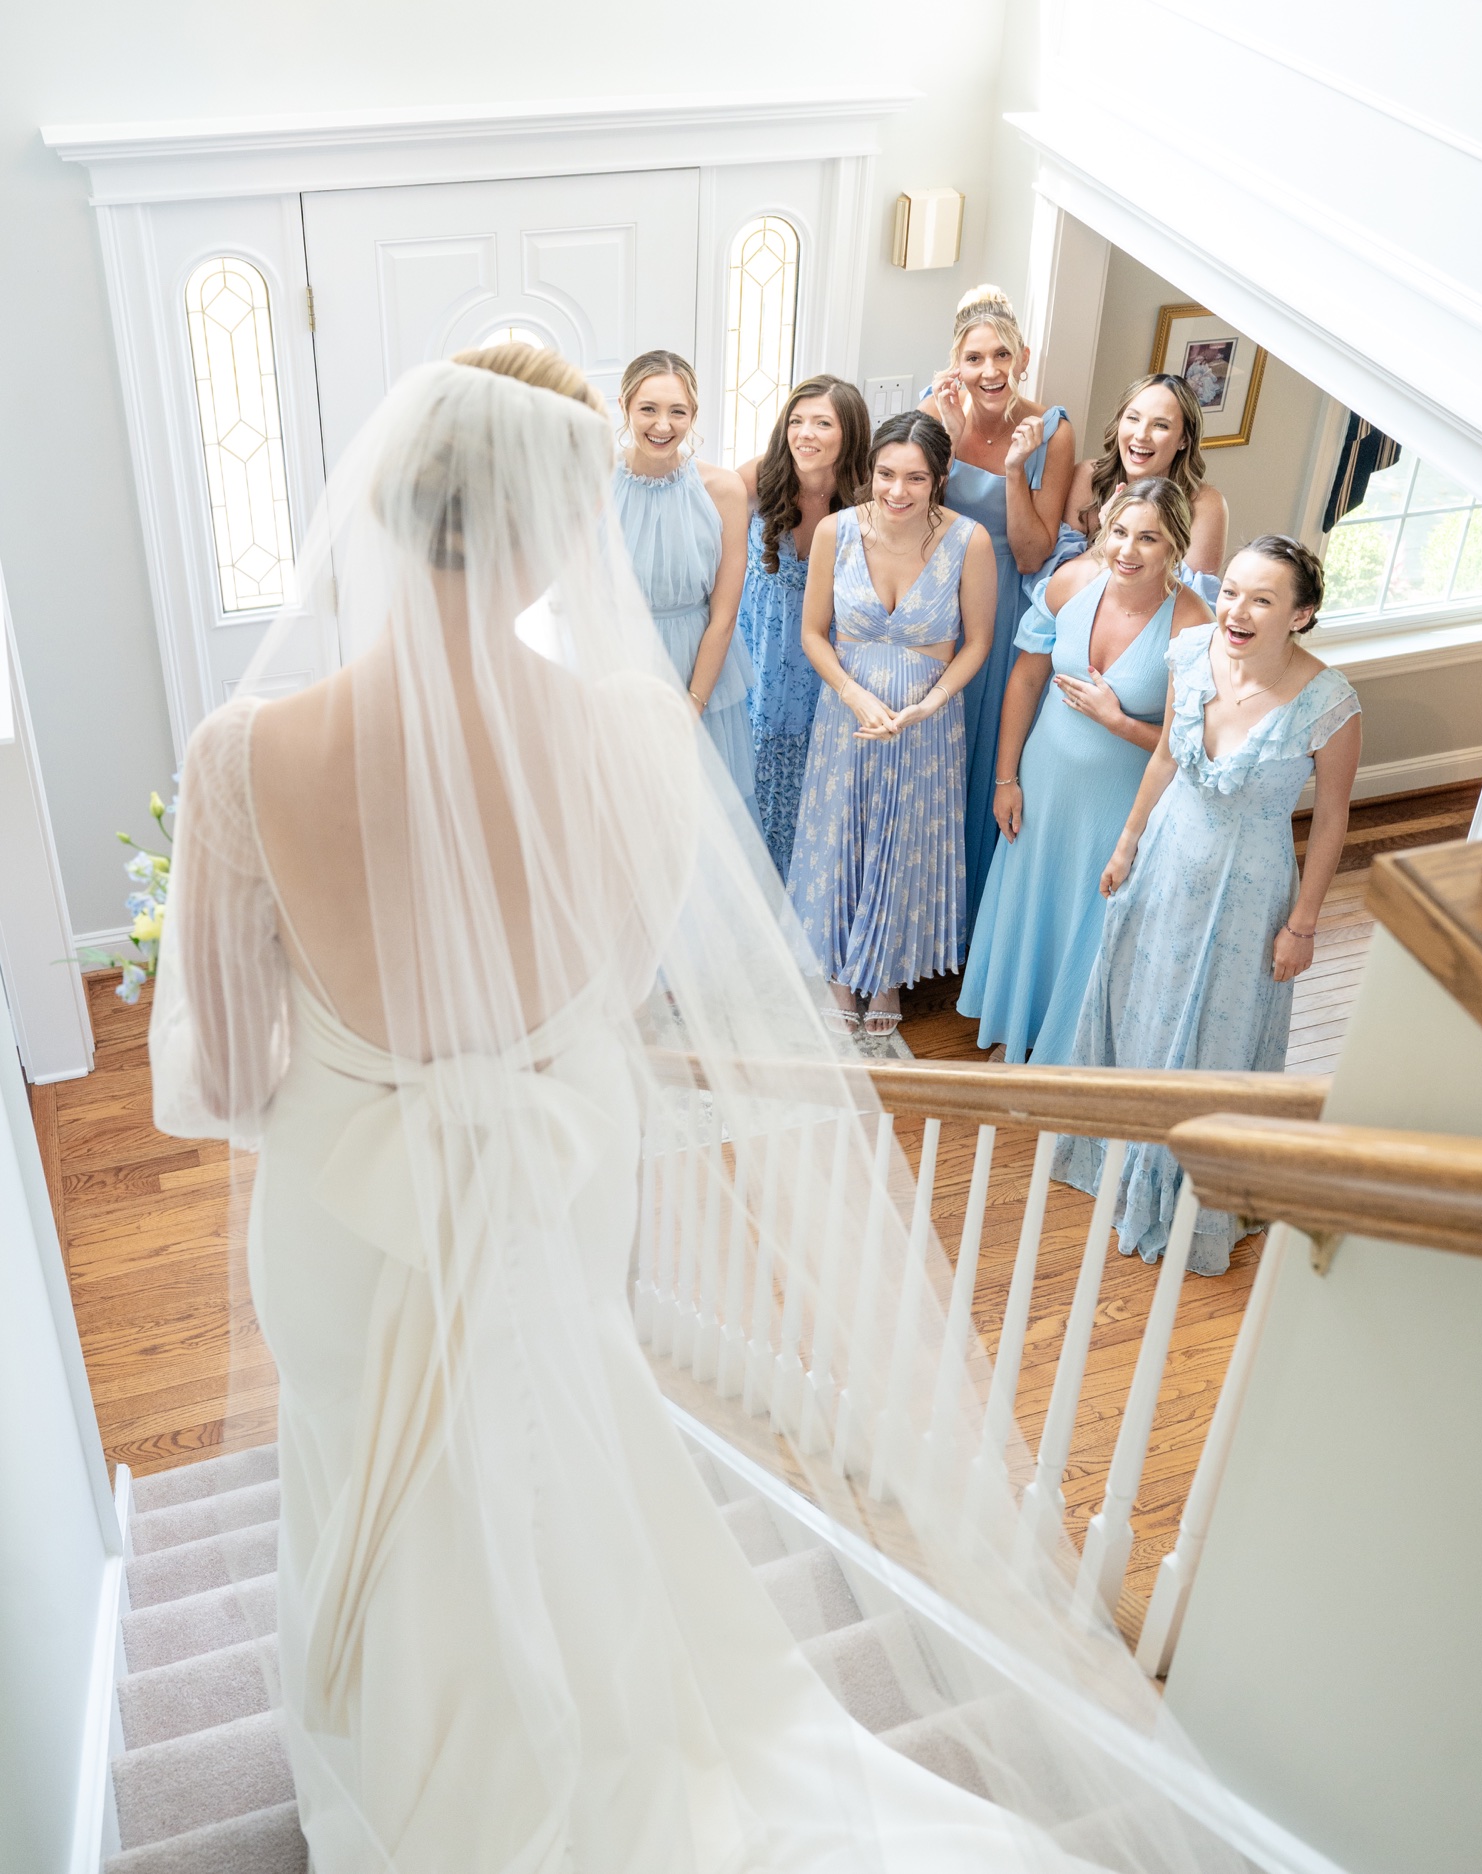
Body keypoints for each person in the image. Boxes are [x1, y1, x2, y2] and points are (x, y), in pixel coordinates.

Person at [145, 345, 1255, 1874]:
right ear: (561, 534)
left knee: (373, 1503)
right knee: (546, 1468)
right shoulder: (631, 736)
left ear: (382, 512)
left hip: (343, 1215)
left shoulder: (237, 759)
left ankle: (407, 1790)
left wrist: (372, 1072)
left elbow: (212, 1078)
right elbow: (612, 993)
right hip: (556, 1181)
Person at [1055, 536, 1362, 1276]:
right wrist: (1127, 843)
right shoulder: (1189, 652)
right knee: (1138, 1007)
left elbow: (1331, 820)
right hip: (1165, 860)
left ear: (1301, 615)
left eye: (1263, 599)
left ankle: (1194, 1199)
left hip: (1247, 892)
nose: (1238, 610)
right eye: (1231, 592)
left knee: (1213, 1037)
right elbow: (1165, 754)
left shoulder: (1331, 702)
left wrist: (1304, 924)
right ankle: (1119, 1166)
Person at [958, 480, 1211, 1063]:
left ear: (1174, 543)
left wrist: (1117, 722)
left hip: (1122, 800)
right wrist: (1006, 779)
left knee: (1092, 918)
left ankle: (1066, 1051)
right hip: (1044, 780)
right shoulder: (1071, 582)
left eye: (1148, 538)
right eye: (1120, 532)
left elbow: (1186, 748)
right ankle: (1015, 1028)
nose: (1128, 550)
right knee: (1033, 900)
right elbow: (1024, 680)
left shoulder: (1191, 624)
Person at [786, 411, 997, 1038]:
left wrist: (929, 706)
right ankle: (836, 972)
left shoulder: (970, 542)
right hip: (846, 719)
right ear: (870, 470)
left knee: (903, 841)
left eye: (914, 478)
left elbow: (978, 643)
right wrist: (852, 694)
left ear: (940, 478)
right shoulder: (835, 531)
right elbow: (812, 633)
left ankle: (885, 975)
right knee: (841, 830)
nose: (897, 492)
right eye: (885, 474)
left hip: (926, 725)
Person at [919, 286, 1074, 929]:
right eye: (975, 357)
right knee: (934, 748)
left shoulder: (1053, 431)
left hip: (1010, 600)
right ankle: (919, 906)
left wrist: (1016, 471)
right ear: (955, 363)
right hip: (942, 595)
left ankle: (972, 920)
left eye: (1002, 355)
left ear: (1024, 357)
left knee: (990, 756)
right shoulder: (933, 413)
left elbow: (1036, 552)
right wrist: (948, 443)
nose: (990, 371)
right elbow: (916, 522)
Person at [612, 348, 762, 831]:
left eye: (678, 411)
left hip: (698, 669)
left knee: (698, 822)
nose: (663, 424)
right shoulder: (593, 483)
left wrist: (691, 705)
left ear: (694, 415)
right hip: (618, 666)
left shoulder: (722, 489)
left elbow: (724, 614)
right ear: (625, 408)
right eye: (649, 409)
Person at [735, 375, 870, 876]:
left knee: (820, 785)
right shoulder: (760, 477)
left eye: (822, 422)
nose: (804, 434)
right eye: (795, 421)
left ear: (848, 434)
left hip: (828, 669)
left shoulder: (867, 498)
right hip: (759, 658)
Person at [1063, 375, 1228, 601]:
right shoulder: (1089, 477)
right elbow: (1058, 582)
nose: (1141, 435)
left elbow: (1191, 602)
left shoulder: (1204, 504)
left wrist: (1115, 534)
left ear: (1184, 440)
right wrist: (1108, 534)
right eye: (1133, 418)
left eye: (1160, 425)